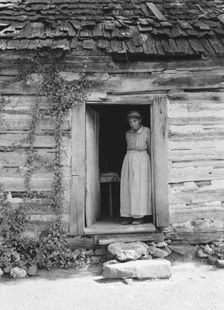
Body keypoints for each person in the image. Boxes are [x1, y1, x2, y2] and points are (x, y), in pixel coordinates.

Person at [120, 111, 152, 225]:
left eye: (134, 121)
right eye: (130, 122)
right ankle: (127, 215)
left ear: (140, 121)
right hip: (129, 159)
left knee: (139, 187)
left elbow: (151, 148)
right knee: (128, 187)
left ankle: (139, 216)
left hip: (142, 160)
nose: (132, 124)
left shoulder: (147, 131)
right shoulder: (127, 133)